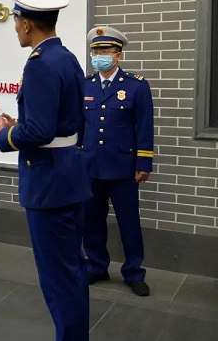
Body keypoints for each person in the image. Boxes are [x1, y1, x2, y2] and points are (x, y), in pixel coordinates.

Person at [0, 0, 91, 341]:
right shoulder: (66, 57)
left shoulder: (41, 64)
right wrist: (19, 125)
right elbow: (66, 121)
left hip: (49, 184)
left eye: (15, 21)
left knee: (58, 276)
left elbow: (41, 131)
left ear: (26, 24)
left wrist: (3, 136)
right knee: (71, 269)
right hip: (68, 175)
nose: (15, 28)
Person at [82, 26, 154, 297]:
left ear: (118, 55)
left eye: (105, 50)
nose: (99, 55)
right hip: (90, 166)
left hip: (123, 167)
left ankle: (134, 272)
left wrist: (143, 163)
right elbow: (79, 125)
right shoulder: (86, 84)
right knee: (92, 221)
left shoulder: (136, 86)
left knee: (129, 222)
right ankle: (96, 266)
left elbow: (145, 127)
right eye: (96, 51)